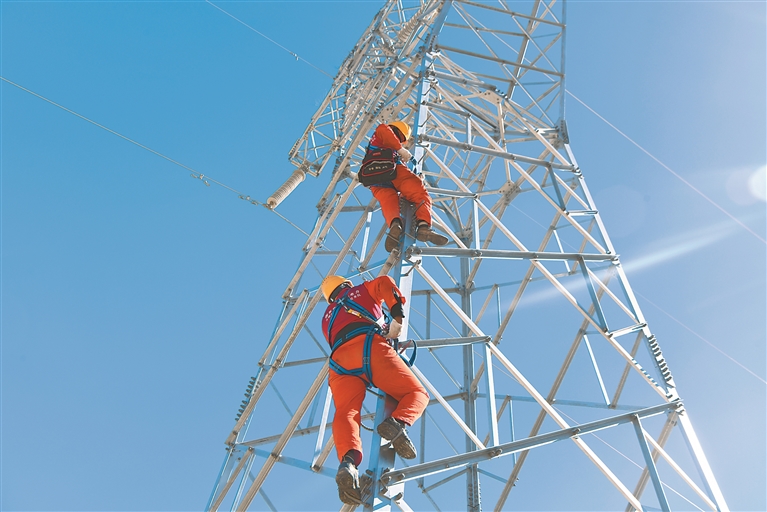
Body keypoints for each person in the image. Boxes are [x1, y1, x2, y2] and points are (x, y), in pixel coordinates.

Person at [320, 274, 429, 505]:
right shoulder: (360, 290)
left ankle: (348, 462)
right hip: (370, 347)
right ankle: (397, 423)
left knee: (346, 412)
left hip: (340, 363)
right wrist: (397, 317)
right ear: (346, 284)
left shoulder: (326, 317)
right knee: (417, 394)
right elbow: (384, 282)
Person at [365, 121, 448, 252]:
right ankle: (424, 227)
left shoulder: (375, 145)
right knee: (420, 193)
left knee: (388, 201)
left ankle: (395, 225)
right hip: (393, 169)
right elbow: (383, 130)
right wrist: (400, 149)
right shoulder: (383, 133)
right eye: (400, 137)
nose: (399, 140)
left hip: (373, 178)